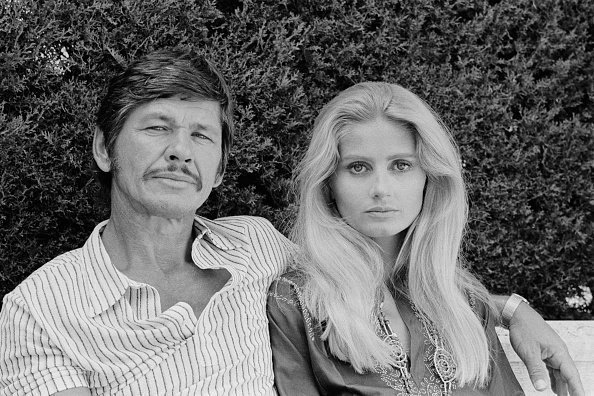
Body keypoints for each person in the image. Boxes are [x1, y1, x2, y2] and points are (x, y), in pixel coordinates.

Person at [0, 49, 583, 395]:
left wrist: (510, 309)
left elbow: (375, 266)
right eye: (157, 127)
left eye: (201, 135)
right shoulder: (41, 310)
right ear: (104, 149)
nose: (181, 151)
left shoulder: (255, 248)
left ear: (221, 168)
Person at [267, 82, 583, 395]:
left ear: (429, 177)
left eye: (401, 165)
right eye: (358, 167)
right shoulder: (297, 300)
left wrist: (515, 310)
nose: (381, 188)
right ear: (328, 183)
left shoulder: (466, 305)